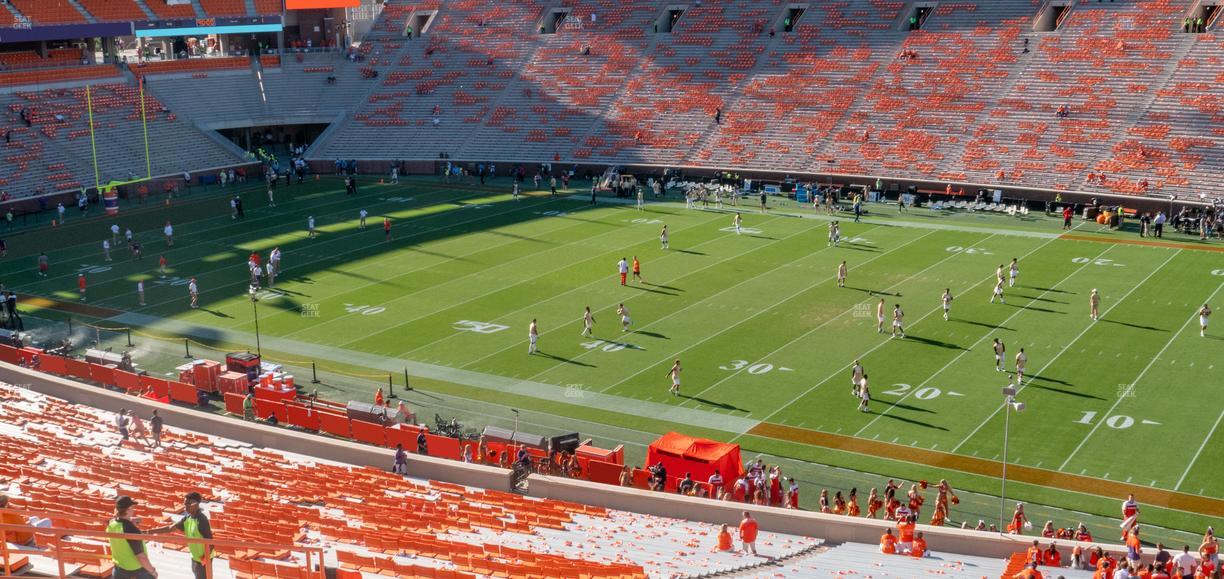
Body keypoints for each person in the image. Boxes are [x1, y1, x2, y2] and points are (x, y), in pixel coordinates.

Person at [150, 492, 213, 579]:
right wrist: (148, 531)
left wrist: (205, 558)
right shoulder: (187, 518)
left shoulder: (202, 519)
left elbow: (210, 541)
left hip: (203, 559)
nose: (186, 506)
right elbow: (170, 528)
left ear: (196, 504)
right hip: (195, 558)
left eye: (189, 504)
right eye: (185, 504)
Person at [107, 496, 158, 578]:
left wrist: (130, 519)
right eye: (132, 507)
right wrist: (152, 571)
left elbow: (118, 520)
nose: (134, 509)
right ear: (128, 510)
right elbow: (141, 556)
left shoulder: (111, 524)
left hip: (119, 568)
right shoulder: (131, 530)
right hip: (136, 570)